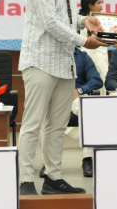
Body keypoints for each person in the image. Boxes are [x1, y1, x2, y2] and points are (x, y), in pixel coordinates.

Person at [18, 0, 107, 196]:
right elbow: (49, 22)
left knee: (56, 126)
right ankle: (25, 180)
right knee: (33, 123)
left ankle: (53, 178)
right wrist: (84, 40)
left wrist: (83, 21)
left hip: (65, 64)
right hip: (41, 62)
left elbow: (64, 17)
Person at [39, 47, 103, 178]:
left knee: (88, 111)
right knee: (43, 115)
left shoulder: (83, 56)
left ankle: (88, 159)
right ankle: (48, 162)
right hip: (54, 97)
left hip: (76, 96)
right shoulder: (49, 54)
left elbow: (96, 80)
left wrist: (80, 90)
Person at [79, 0, 109, 95]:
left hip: (102, 59)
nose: (101, 7)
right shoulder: (80, 23)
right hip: (88, 60)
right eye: (98, 3)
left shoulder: (102, 21)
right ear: (91, 6)